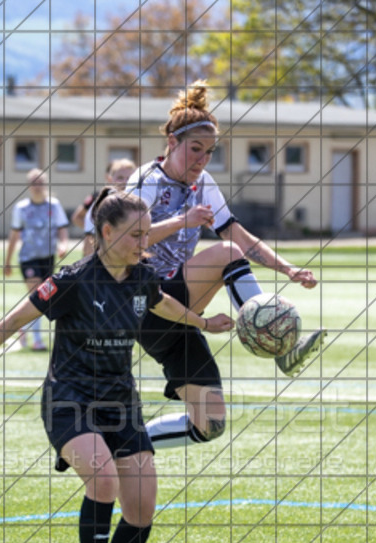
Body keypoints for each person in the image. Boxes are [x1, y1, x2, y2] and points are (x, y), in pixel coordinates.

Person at [0, 189, 234, 543]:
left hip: (120, 401)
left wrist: (204, 323)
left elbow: (162, 303)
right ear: (106, 232)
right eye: (135, 235)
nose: (145, 243)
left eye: (147, 234)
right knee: (103, 480)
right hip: (69, 398)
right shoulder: (72, 281)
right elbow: (17, 318)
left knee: (142, 508)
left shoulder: (143, 276)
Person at [128, 80, 325, 450]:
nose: (202, 160)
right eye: (195, 150)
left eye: (209, 152)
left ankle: (129, 443)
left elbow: (238, 233)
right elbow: (121, 242)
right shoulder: (147, 181)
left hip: (177, 319)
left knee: (210, 423)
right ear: (172, 144)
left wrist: (288, 270)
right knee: (227, 254)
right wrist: (181, 222)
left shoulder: (204, 183)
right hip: (145, 304)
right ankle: (281, 349)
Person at [4, 168, 70, 351]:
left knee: (45, 296)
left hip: (48, 257)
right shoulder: (22, 208)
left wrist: (63, 244)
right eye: (33, 183)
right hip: (28, 258)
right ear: (29, 186)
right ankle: (37, 339)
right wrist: (7, 261)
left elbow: (62, 228)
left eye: (40, 183)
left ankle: (23, 326)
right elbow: (14, 235)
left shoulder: (54, 206)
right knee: (37, 295)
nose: (37, 187)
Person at [72, 158, 138, 256]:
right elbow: (78, 219)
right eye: (120, 177)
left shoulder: (141, 202)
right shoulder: (100, 200)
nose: (125, 181)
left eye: (129, 178)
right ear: (110, 179)